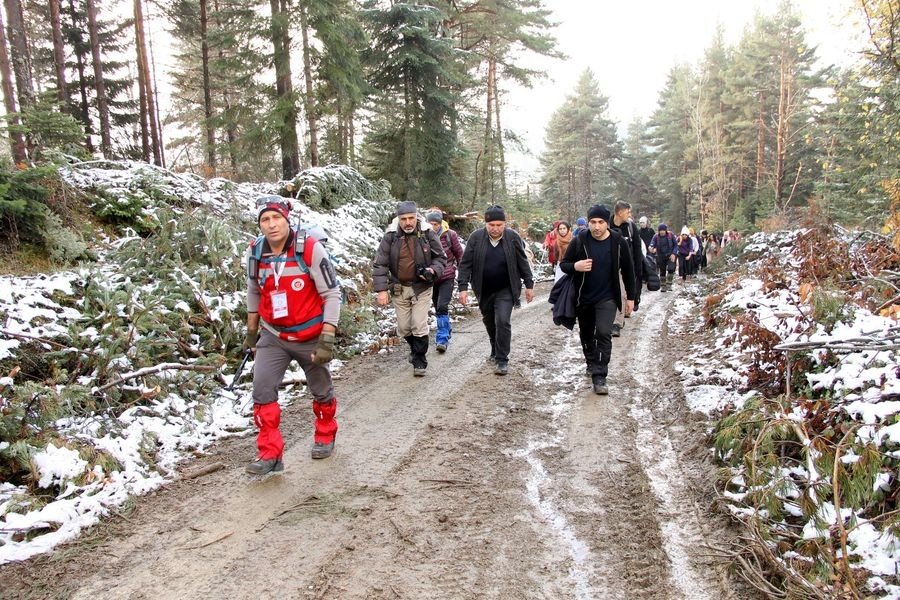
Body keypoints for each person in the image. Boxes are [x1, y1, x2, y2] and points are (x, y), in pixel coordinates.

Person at [244, 195, 343, 474]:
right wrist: (252, 331)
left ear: (287, 220)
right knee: (262, 390)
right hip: (273, 335)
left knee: (321, 390)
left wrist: (327, 337)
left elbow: (332, 293)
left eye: (276, 218)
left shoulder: (309, 249)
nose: (271, 224)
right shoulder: (256, 252)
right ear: (260, 224)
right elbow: (253, 291)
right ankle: (270, 455)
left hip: (310, 334)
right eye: (265, 219)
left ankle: (325, 434)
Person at [559, 204, 635, 395]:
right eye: (593, 222)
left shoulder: (618, 242)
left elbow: (628, 270)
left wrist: (631, 298)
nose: (596, 226)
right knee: (586, 334)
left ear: (606, 223)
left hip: (608, 297)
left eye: (600, 222)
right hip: (583, 298)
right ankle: (591, 362)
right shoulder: (579, 240)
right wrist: (576, 265)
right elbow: (564, 265)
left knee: (603, 333)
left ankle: (600, 376)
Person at [457, 205, 535, 376]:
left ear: (504, 224)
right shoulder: (476, 238)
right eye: (491, 225)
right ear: (486, 224)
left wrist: (529, 284)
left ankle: (502, 359)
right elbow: (466, 264)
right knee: (489, 320)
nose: (495, 228)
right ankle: (494, 344)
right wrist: (462, 287)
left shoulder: (512, 237)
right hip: (483, 288)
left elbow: (522, 262)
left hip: (506, 288)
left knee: (503, 321)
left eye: (499, 225)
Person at [373, 201, 446, 376]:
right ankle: (415, 350)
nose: (407, 222)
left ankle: (420, 360)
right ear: (398, 219)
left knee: (419, 325)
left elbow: (441, 258)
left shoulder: (427, 233)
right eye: (403, 219)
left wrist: (432, 270)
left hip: (422, 287)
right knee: (404, 328)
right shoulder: (390, 236)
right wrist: (381, 290)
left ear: (416, 217)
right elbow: (380, 264)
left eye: (411, 218)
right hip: (399, 288)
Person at [426, 209, 464, 353]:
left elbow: (460, 255)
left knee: (442, 306)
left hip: (447, 275)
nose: (433, 226)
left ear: (440, 223)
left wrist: (464, 277)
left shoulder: (450, 235)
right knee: (437, 307)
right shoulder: (422, 236)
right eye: (430, 223)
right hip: (431, 278)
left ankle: (442, 339)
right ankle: (446, 329)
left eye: (435, 223)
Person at [609, 201, 643, 332]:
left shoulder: (630, 227)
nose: (630, 215)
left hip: (625, 266)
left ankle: (617, 322)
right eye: (628, 212)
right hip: (609, 265)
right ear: (620, 212)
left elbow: (637, 249)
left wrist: (638, 269)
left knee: (622, 293)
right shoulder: (606, 225)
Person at [648, 223, 677, 292]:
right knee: (662, 271)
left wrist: (674, 253)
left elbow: (675, 245)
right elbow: (652, 243)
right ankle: (663, 286)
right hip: (660, 256)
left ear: (666, 230)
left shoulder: (670, 235)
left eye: (663, 230)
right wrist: (651, 247)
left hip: (670, 255)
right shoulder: (656, 236)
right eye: (660, 230)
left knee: (671, 269)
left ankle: (669, 284)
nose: (662, 232)